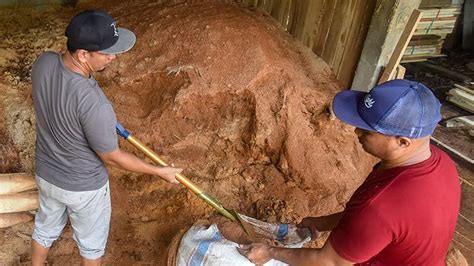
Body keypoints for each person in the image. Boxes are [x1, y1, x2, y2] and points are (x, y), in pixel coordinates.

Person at [239, 79, 461, 265]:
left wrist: (269, 252)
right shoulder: (443, 164)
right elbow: (387, 226)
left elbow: (330, 262)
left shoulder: (381, 206)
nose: (356, 132)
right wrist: (322, 222)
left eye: (367, 131)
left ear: (402, 142)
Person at [30, 10, 182, 266]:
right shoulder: (94, 104)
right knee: (91, 247)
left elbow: (59, 101)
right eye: (107, 53)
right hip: (84, 188)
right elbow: (112, 156)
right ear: (82, 55)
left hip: (46, 175)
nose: (113, 58)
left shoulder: (42, 63)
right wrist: (159, 171)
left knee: (44, 229)